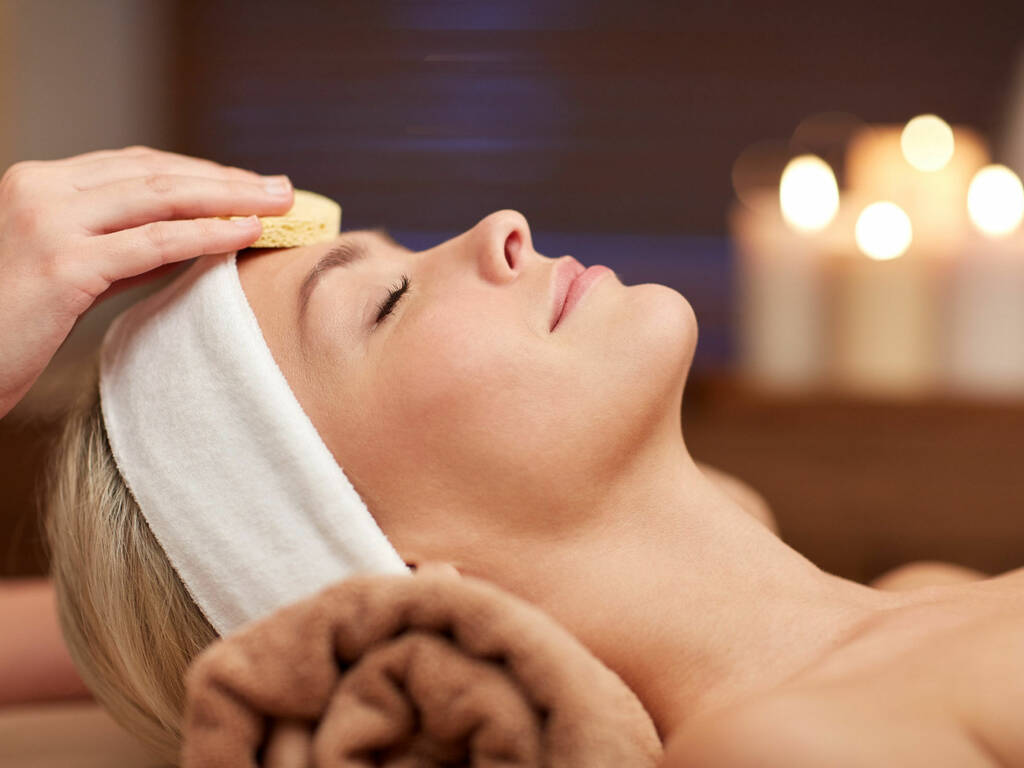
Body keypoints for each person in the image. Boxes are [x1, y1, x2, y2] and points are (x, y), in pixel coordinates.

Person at [4, 147, 1019, 765]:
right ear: (396, 578)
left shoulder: (923, 594)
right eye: (387, 301)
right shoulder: (789, 748)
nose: (499, 225)